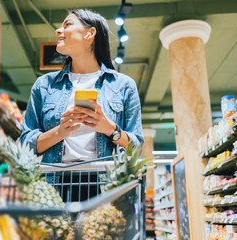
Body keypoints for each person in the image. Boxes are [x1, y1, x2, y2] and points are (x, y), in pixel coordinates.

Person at [20, 9, 144, 164]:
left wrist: (110, 129)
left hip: (106, 184)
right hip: (57, 182)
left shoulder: (124, 85)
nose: (58, 31)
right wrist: (59, 132)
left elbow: (137, 148)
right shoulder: (44, 85)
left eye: (67, 24)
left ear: (89, 33)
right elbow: (25, 144)